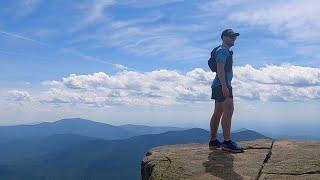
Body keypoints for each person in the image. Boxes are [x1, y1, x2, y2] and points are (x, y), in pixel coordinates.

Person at [208, 29, 244, 153]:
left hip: (217, 85)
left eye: (234, 36)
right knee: (229, 110)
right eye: (230, 36)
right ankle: (227, 142)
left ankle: (213, 141)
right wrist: (224, 86)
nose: (233, 38)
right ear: (223, 37)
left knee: (218, 112)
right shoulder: (223, 51)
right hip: (222, 85)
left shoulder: (222, 50)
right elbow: (220, 67)